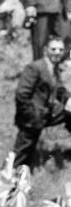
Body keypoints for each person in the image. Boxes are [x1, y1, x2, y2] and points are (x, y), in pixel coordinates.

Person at [12, 36, 70, 169]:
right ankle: (9, 180)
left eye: (60, 50)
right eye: (53, 49)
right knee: (22, 152)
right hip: (32, 118)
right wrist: (32, 116)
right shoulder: (35, 67)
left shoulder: (54, 68)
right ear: (45, 50)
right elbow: (21, 94)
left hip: (46, 112)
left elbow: (59, 89)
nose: (57, 52)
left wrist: (68, 99)